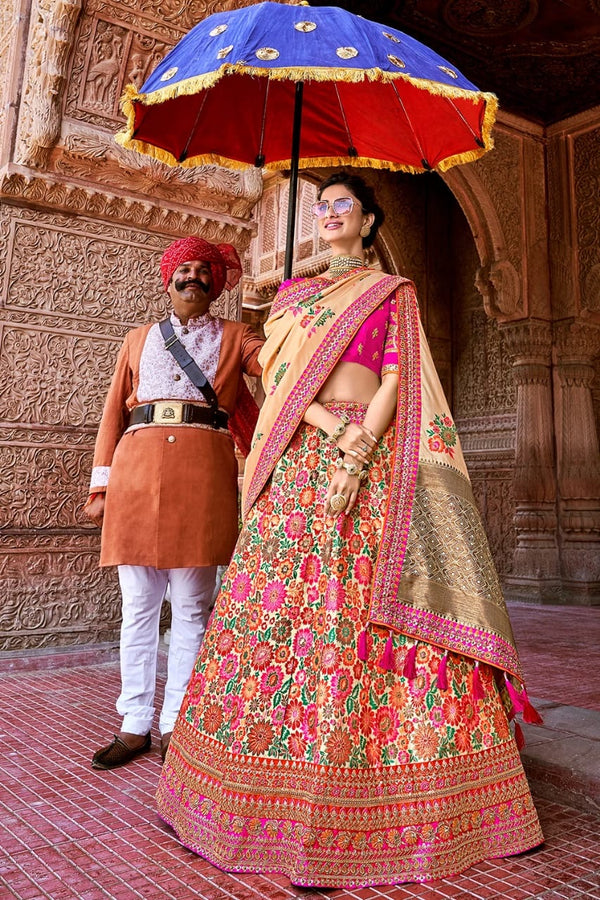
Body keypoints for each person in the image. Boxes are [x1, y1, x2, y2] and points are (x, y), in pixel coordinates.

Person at [156, 174, 543, 887]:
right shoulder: (293, 300)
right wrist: (334, 431)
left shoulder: (392, 294)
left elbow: (398, 377)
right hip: (308, 460)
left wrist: (361, 447)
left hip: (376, 461)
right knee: (286, 614)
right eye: (323, 206)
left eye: (344, 207)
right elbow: (279, 383)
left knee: (371, 606)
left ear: (369, 223)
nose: (330, 214)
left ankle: (408, 799)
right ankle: (244, 800)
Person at [86, 236, 264, 770]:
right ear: (169, 280)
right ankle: (133, 723)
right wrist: (101, 487)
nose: (194, 276)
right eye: (183, 269)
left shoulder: (237, 337)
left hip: (203, 480)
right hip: (136, 478)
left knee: (191, 608)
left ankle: (175, 722)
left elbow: (278, 365)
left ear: (217, 283)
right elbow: (112, 414)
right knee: (138, 609)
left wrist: (285, 317)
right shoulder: (137, 338)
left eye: (204, 270)